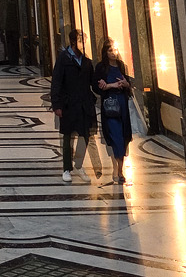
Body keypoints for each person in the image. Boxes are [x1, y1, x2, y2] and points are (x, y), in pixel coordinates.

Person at [50, 28, 101, 183]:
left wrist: (105, 84)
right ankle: (67, 168)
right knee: (67, 136)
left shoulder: (86, 61)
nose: (83, 44)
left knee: (84, 135)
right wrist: (57, 104)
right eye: (80, 41)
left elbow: (93, 82)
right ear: (73, 42)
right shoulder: (63, 59)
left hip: (84, 103)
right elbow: (56, 82)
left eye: (84, 41)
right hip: (68, 104)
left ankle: (78, 165)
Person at [93, 37, 134, 188]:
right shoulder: (101, 68)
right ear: (105, 52)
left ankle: (120, 170)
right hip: (110, 107)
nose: (113, 53)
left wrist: (125, 84)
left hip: (122, 105)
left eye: (115, 49)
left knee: (123, 137)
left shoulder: (121, 66)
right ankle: (116, 169)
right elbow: (96, 86)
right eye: (110, 50)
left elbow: (129, 84)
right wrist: (110, 85)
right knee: (114, 136)